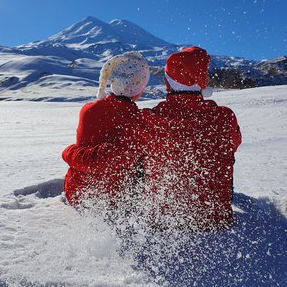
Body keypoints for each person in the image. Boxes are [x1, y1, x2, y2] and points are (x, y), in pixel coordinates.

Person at [140, 46, 242, 230]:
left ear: (167, 84)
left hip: (162, 222)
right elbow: (234, 144)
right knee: (224, 151)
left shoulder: (148, 119)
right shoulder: (225, 117)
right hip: (214, 222)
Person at [62, 51, 150, 207]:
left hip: (76, 194)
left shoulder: (88, 109)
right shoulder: (137, 119)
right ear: (138, 87)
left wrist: (71, 153)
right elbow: (105, 161)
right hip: (110, 201)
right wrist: (69, 152)